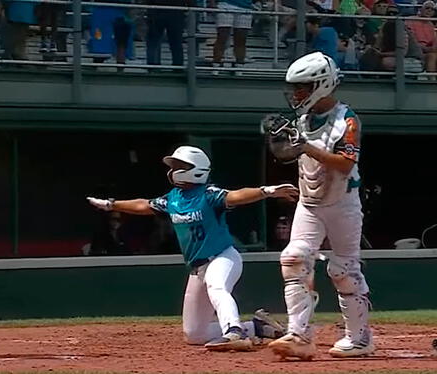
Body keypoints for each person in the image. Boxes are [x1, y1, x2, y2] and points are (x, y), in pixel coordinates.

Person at [87, 146, 297, 351]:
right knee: (194, 334)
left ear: (195, 169)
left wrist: (265, 191)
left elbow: (235, 196)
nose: (173, 169)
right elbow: (144, 205)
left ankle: (235, 332)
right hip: (197, 268)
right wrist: (112, 205)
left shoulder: (208, 193)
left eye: (179, 165)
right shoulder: (173, 197)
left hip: (222, 257)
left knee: (217, 287)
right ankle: (257, 327)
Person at [265, 51, 373, 360]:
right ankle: (299, 335)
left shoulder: (347, 120)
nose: (296, 93)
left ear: (321, 85)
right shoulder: (302, 120)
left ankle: (360, 338)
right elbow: (299, 157)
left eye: (302, 87)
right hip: (310, 203)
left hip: (343, 204)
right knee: (293, 259)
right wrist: (289, 148)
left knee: (343, 270)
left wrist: (305, 147)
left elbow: (344, 163)